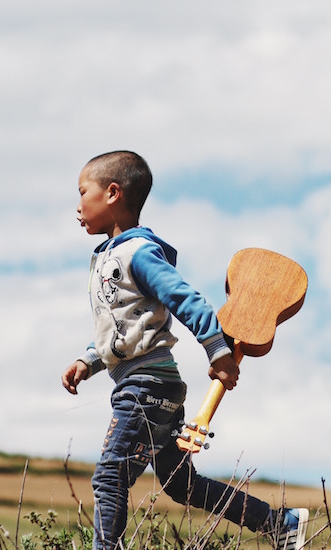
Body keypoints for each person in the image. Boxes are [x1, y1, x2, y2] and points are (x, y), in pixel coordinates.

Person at [61, 151, 308, 549]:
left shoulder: (137, 253)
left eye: (82, 192)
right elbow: (120, 327)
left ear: (112, 193)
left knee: (110, 474)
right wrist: (87, 361)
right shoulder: (110, 256)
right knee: (181, 485)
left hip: (145, 386)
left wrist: (217, 352)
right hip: (153, 385)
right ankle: (280, 523)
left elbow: (185, 298)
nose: (76, 205)